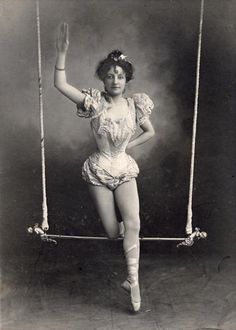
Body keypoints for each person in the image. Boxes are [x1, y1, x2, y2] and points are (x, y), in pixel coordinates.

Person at [54, 22, 155, 312]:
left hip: (124, 169)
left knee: (133, 223)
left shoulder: (137, 105)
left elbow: (149, 131)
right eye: (109, 76)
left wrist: (128, 148)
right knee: (114, 232)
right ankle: (127, 244)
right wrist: (62, 53)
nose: (115, 80)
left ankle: (133, 282)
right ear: (103, 79)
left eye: (120, 76)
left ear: (127, 80)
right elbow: (60, 85)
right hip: (98, 171)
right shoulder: (95, 103)